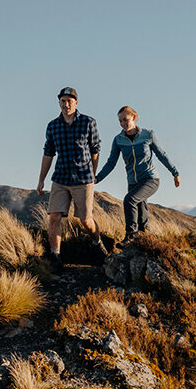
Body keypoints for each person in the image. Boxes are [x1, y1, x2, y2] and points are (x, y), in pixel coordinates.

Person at [36, 87, 106, 271]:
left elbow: (95, 149)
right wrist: (41, 180)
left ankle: (97, 243)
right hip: (60, 178)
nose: (66, 104)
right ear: (59, 103)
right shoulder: (53, 126)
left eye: (69, 101)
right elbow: (48, 153)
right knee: (54, 217)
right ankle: (55, 255)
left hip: (83, 178)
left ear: (76, 102)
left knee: (85, 220)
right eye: (62, 101)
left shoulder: (88, 122)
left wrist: (92, 175)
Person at [95, 105, 180, 244]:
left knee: (129, 200)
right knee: (141, 216)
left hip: (150, 179)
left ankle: (130, 236)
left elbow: (161, 155)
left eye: (125, 120)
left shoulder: (148, 135)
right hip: (133, 182)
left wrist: (175, 173)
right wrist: (97, 178)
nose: (123, 124)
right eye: (120, 121)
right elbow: (111, 163)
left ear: (134, 117)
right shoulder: (118, 140)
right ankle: (145, 241)